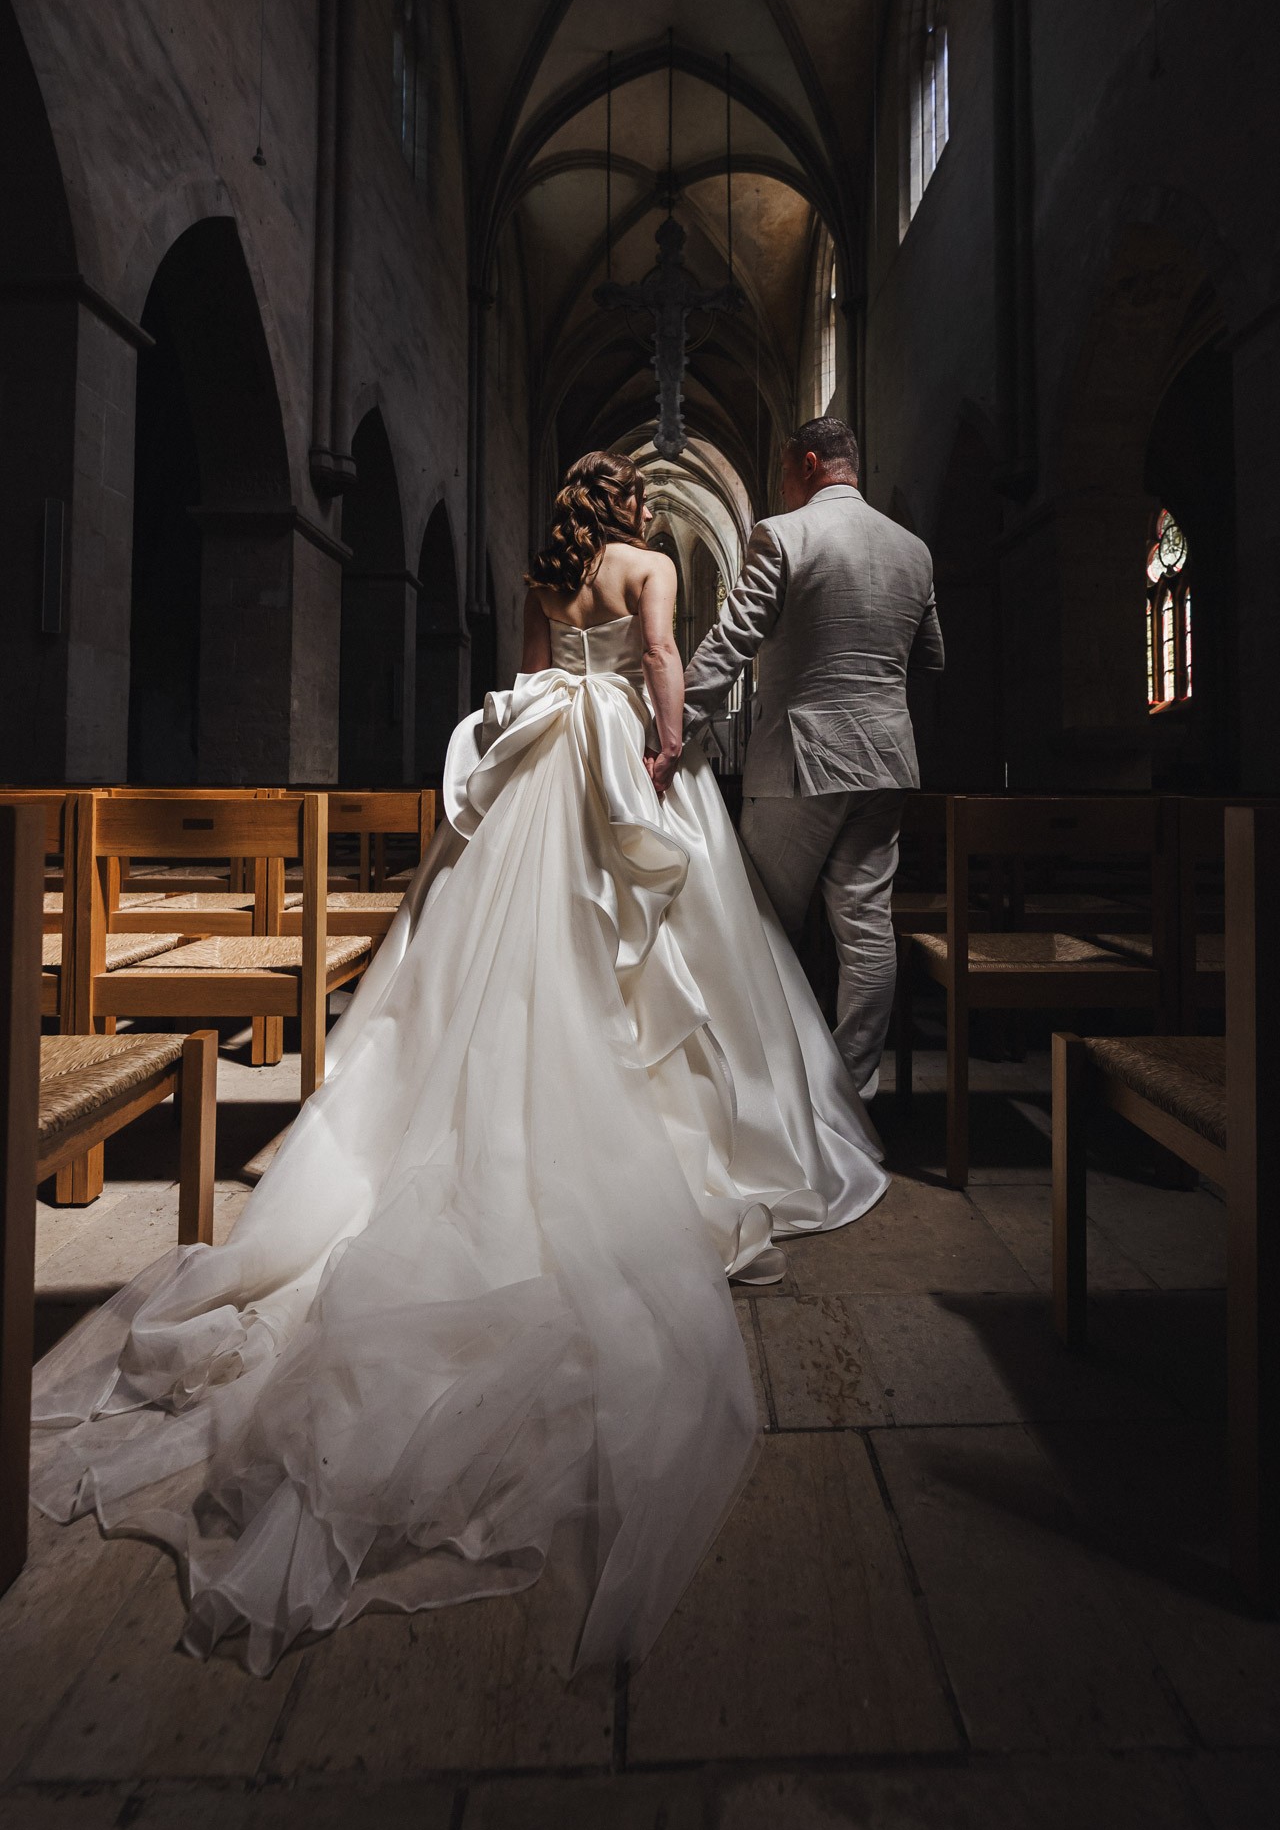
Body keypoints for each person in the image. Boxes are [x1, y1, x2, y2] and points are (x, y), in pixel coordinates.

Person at [30, 451, 887, 1681]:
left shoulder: (551, 578)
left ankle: (496, 1112)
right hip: (617, 761)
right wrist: (665, 748)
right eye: (638, 501)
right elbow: (660, 666)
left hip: (544, 760)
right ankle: (661, 1125)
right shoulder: (650, 565)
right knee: (655, 959)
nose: (641, 514)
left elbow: (539, 674)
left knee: (503, 959)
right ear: (632, 511)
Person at [684, 418, 944, 1100]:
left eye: (783, 472)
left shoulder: (784, 533)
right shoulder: (913, 550)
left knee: (764, 924)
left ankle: (773, 1092)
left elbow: (730, 641)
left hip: (800, 762)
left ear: (806, 463)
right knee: (866, 930)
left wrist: (669, 724)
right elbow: (933, 658)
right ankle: (851, 1096)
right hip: (886, 759)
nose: (781, 486)